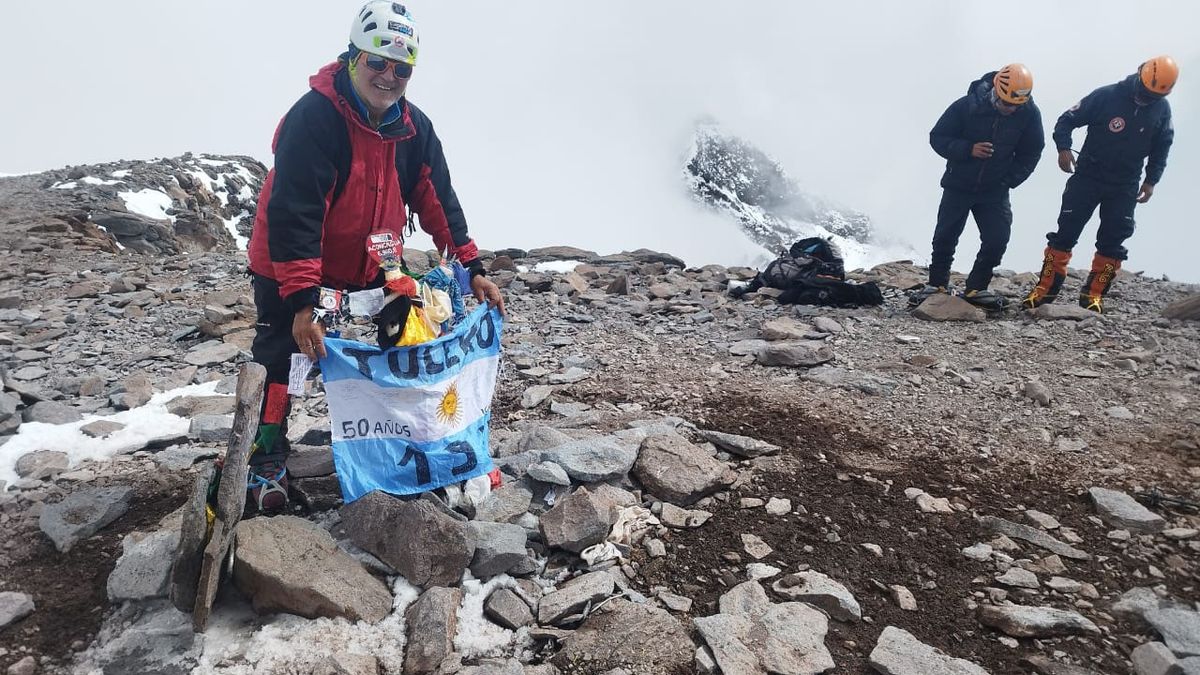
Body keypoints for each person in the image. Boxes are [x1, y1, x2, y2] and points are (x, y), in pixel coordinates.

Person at [243, 1, 505, 511]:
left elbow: (438, 200)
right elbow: (295, 213)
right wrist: (301, 302)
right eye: (377, 62)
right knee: (286, 358)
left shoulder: (413, 128)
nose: (389, 76)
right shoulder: (314, 119)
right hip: (291, 264)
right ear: (352, 58)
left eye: (402, 68)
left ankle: (402, 435)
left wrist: (472, 267)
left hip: (371, 265)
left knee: (410, 335)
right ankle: (265, 451)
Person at [1022, 56, 1178, 313]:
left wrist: (1151, 181)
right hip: (1088, 177)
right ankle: (1044, 290)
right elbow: (1066, 120)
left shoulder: (1162, 110)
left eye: (1155, 96)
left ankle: (1093, 295)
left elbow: (1162, 147)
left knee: (1114, 242)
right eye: (1146, 93)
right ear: (1140, 76)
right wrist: (1063, 149)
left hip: (1125, 185)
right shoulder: (1106, 96)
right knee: (1065, 234)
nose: (1148, 99)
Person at [910, 64, 1045, 310]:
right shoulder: (967, 105)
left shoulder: (1029, 113)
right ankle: (938, 284)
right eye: (1006, 104)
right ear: (997, 90)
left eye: (1016, 105)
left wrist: (1010, 179)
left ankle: (976, 288)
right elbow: (938, 136)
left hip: (995, 189)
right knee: (945, 237)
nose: (1010, 109)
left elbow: (1032, 150)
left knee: (997, 239)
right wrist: (967, 149)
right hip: (958, 184)